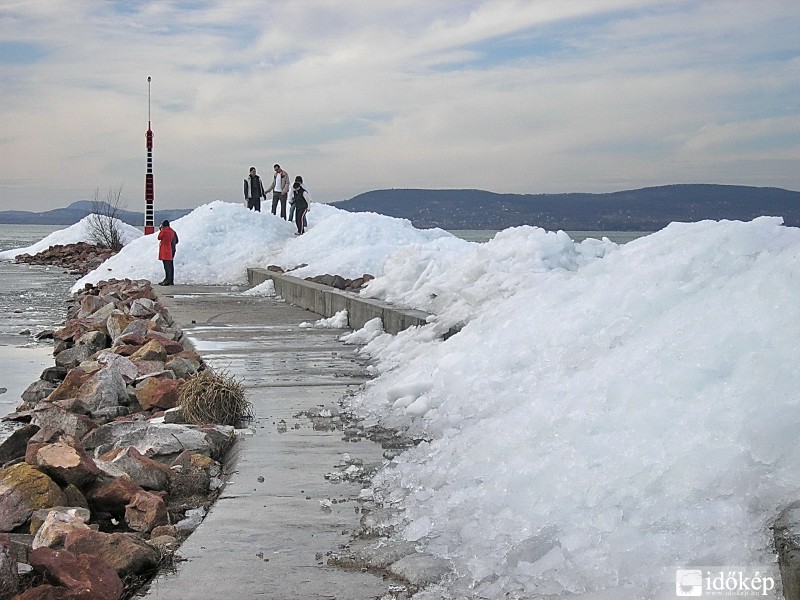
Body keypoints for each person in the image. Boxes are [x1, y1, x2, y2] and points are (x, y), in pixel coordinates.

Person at [157, 220, 177, 286]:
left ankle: (167, 280)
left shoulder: (164, 231)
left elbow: (159, 237)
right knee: (170, 265)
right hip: (171, 249)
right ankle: (170, 280)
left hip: (165, 249)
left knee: (166, 266)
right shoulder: (172, 231)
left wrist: (161, 230)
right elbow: (176, 240)